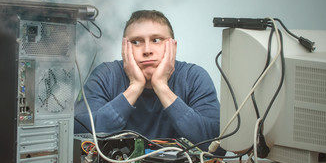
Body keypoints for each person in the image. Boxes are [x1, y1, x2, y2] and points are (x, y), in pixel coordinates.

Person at [74, 10, 222, 152]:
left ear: (173, 47)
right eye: (136, 42)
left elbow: (217, 146)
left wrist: (162, 87)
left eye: (156, 40)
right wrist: (135, 87)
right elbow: (79, 136)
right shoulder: (105, 75)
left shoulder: (194, 77)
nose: (147, 50)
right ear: (124, 48)